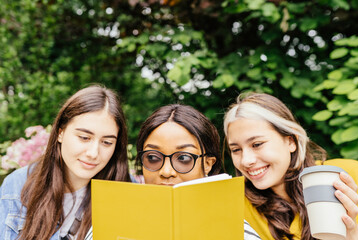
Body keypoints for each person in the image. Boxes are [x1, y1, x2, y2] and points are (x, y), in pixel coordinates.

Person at [0, 85, 131, 240]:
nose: (93, 153)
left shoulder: (128, 193)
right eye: (84, 138)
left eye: (107, 142)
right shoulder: (17, 186)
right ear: (60, 133)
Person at [223, 92, 358, 240]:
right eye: (236, 150)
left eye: (257, 144)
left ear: (291, 142)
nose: (246, 160)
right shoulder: (237, 204)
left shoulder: (347, 175)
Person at [136, 104, 261, 239]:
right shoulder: (124, 221)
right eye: (152, 158)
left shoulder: (237, 232)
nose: (166, 171)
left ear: (208, 164)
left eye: (184, 158)